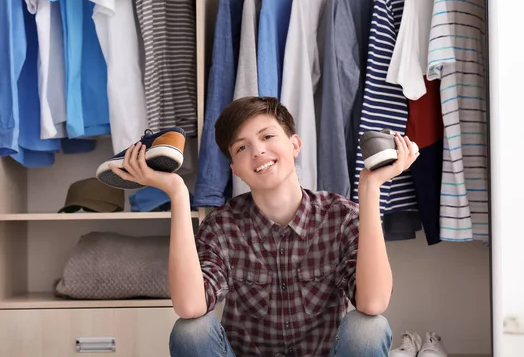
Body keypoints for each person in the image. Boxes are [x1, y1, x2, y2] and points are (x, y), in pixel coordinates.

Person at [109, 96, 419, 357]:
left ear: (295, 144)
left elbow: (373, 302)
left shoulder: (340, 216)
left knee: (369, 327)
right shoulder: (221, 226)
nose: (257, 151)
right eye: (242, 147)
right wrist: (177, 193)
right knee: (190, 330)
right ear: (236, 170)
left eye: (268, 137)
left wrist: (370, 189)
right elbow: (190, 307)